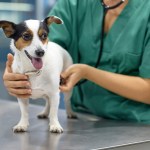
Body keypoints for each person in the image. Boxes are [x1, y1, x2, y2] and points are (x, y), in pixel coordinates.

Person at [3, 0, 150, 122]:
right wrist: (16, 71)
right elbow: (45, 49)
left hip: (136, 123)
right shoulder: (72, 3)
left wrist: (87, 72)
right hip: (81, 118)